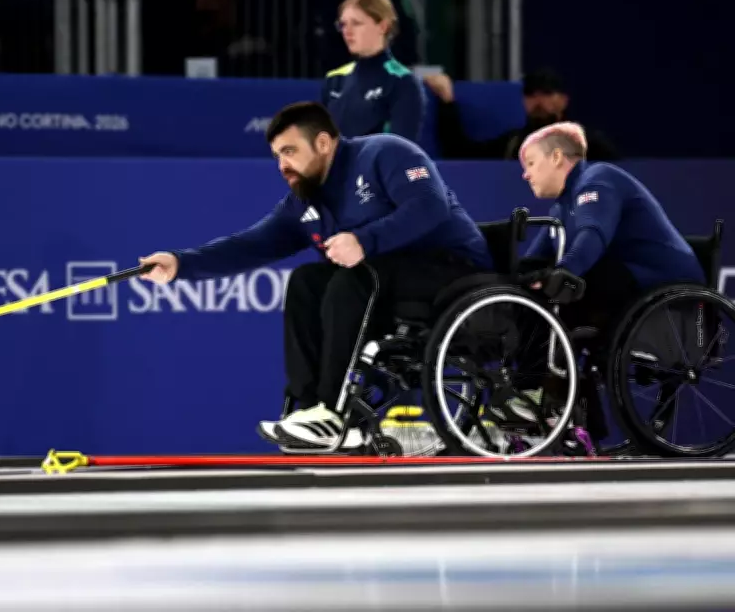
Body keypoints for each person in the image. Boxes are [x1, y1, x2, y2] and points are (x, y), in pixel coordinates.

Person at [138, 101, 493, 450]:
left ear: (323, 143)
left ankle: (332, 412)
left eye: (290, 151)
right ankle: (309, 409)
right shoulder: (306, 200)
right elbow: (250, 245)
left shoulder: (385, 152)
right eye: (277, 155)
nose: (282, 165)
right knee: (306, 281)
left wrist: (364, 240)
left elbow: (430, 205)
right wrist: (181, 264)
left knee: (352, 278)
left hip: (455, 271)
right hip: (388, 284)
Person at [496, 121, 705, 441]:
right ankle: (572, 416)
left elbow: (592, 235)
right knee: (535, 291)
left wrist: (563, 272)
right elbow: (534, 262)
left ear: (556, 157)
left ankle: (535, 395)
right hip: (623, 280)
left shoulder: (599, 179)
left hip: (659, 280)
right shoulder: (562, 205)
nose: (525, 174)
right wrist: (505, 285)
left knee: (558, 292)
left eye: (531, 164)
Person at [423, 68, 619, 161]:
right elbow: (462, 153)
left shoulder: (589, 144)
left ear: (563, 100)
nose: (538, 101)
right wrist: (447, 101)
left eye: (547, 94)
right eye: (531, 95)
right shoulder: (513, 144)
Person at [320, 0, 426, 144]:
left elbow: (399, 151)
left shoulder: (402, 82)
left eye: (356, 23)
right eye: (343, 24)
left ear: (383, 26)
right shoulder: (335, 79)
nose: (347, 32)